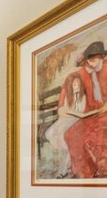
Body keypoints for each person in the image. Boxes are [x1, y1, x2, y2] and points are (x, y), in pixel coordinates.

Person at [62, 41, 107, 178]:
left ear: (102, 58)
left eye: (97, 58)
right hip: (92, 114)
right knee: (71, 134)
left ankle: (102, 169)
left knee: (95, 134)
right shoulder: (81, 75)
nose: (93, 61)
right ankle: (85, 172)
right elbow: (68, 106)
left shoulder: (105, 69)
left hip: (103, 112)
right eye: (90, 58)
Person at [44, 72, 86, 178]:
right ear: (71, 85)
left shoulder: (83, 96)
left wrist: (68, 111)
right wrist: (64, 112)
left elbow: (81, 112)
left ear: (80, 84)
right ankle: (66, 155)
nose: (75, 84)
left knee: (63, 136)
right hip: (68, 118)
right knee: (51, 133)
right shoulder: (69, 96)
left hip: (77, 119)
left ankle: (62, 171)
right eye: (74, 83)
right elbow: (65, 109)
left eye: (77, 82)